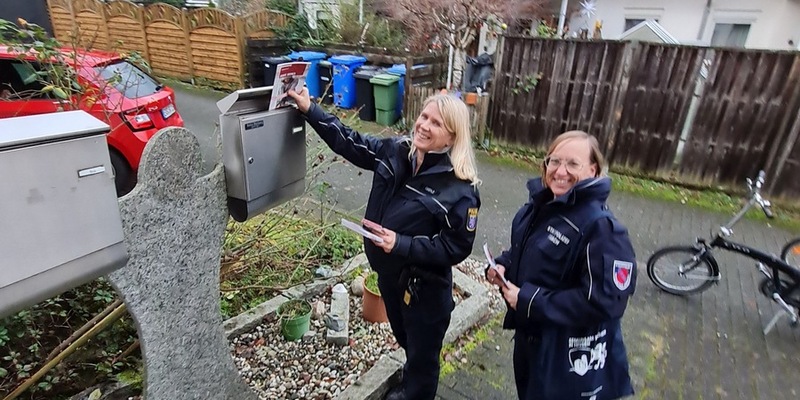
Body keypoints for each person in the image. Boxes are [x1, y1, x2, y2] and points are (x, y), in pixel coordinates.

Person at [287, 88, 481, 400]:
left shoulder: (459, 188)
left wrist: (402, 243)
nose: (424, 125)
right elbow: (349, 142)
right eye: (424, 117)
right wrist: (311, 109)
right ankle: (410, 382)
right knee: (406, 339)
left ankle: (415, 393)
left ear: (451, 138)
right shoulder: (396, 151)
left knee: (424, 358)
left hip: (424, 291)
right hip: (390, 279)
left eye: (437, 123)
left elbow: (456, 247)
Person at [486, 130, 636, 400]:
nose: (560, 171)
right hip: (531, 341)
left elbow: (604, 303)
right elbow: (527, 252)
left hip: (566, 356)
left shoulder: (602, 229)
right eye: (554, 161)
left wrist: (529, 299)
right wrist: (503, 265)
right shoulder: (541, 205)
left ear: (593, 169)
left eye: (572, 164)